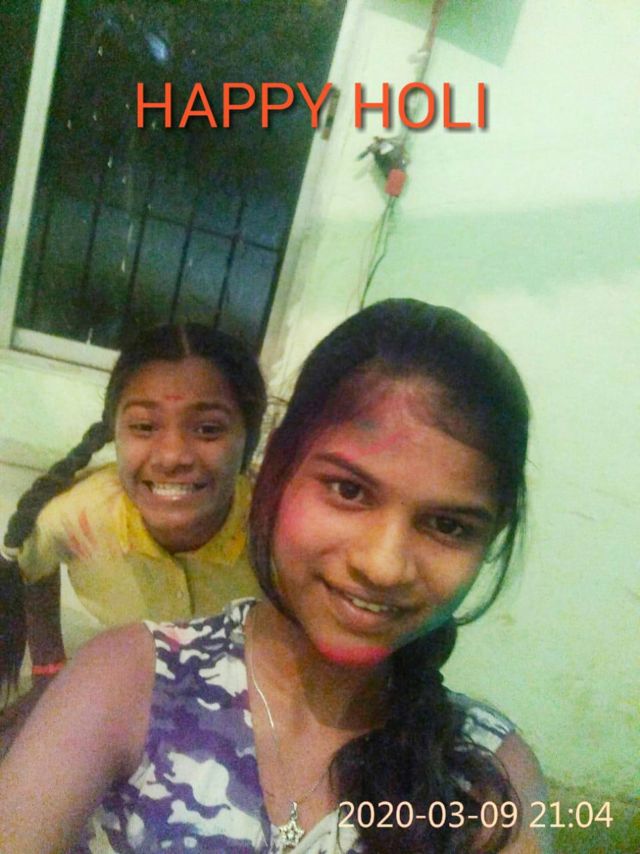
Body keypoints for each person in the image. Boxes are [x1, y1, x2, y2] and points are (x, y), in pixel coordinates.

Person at [0, 299, 550, 853]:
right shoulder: (124, 681)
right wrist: (48, 666)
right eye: (349, 490)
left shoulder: (487, 775)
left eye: (448, 525)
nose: (383, 566)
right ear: (281, 468)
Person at [0, 323, 266, 710]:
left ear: (249, 438)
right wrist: (47, 668)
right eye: (144, 426)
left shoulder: (275, 533)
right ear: (116, 432)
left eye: (208, 429)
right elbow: (32, 565)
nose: (172, 456)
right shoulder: (80, 518)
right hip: (133, 683)